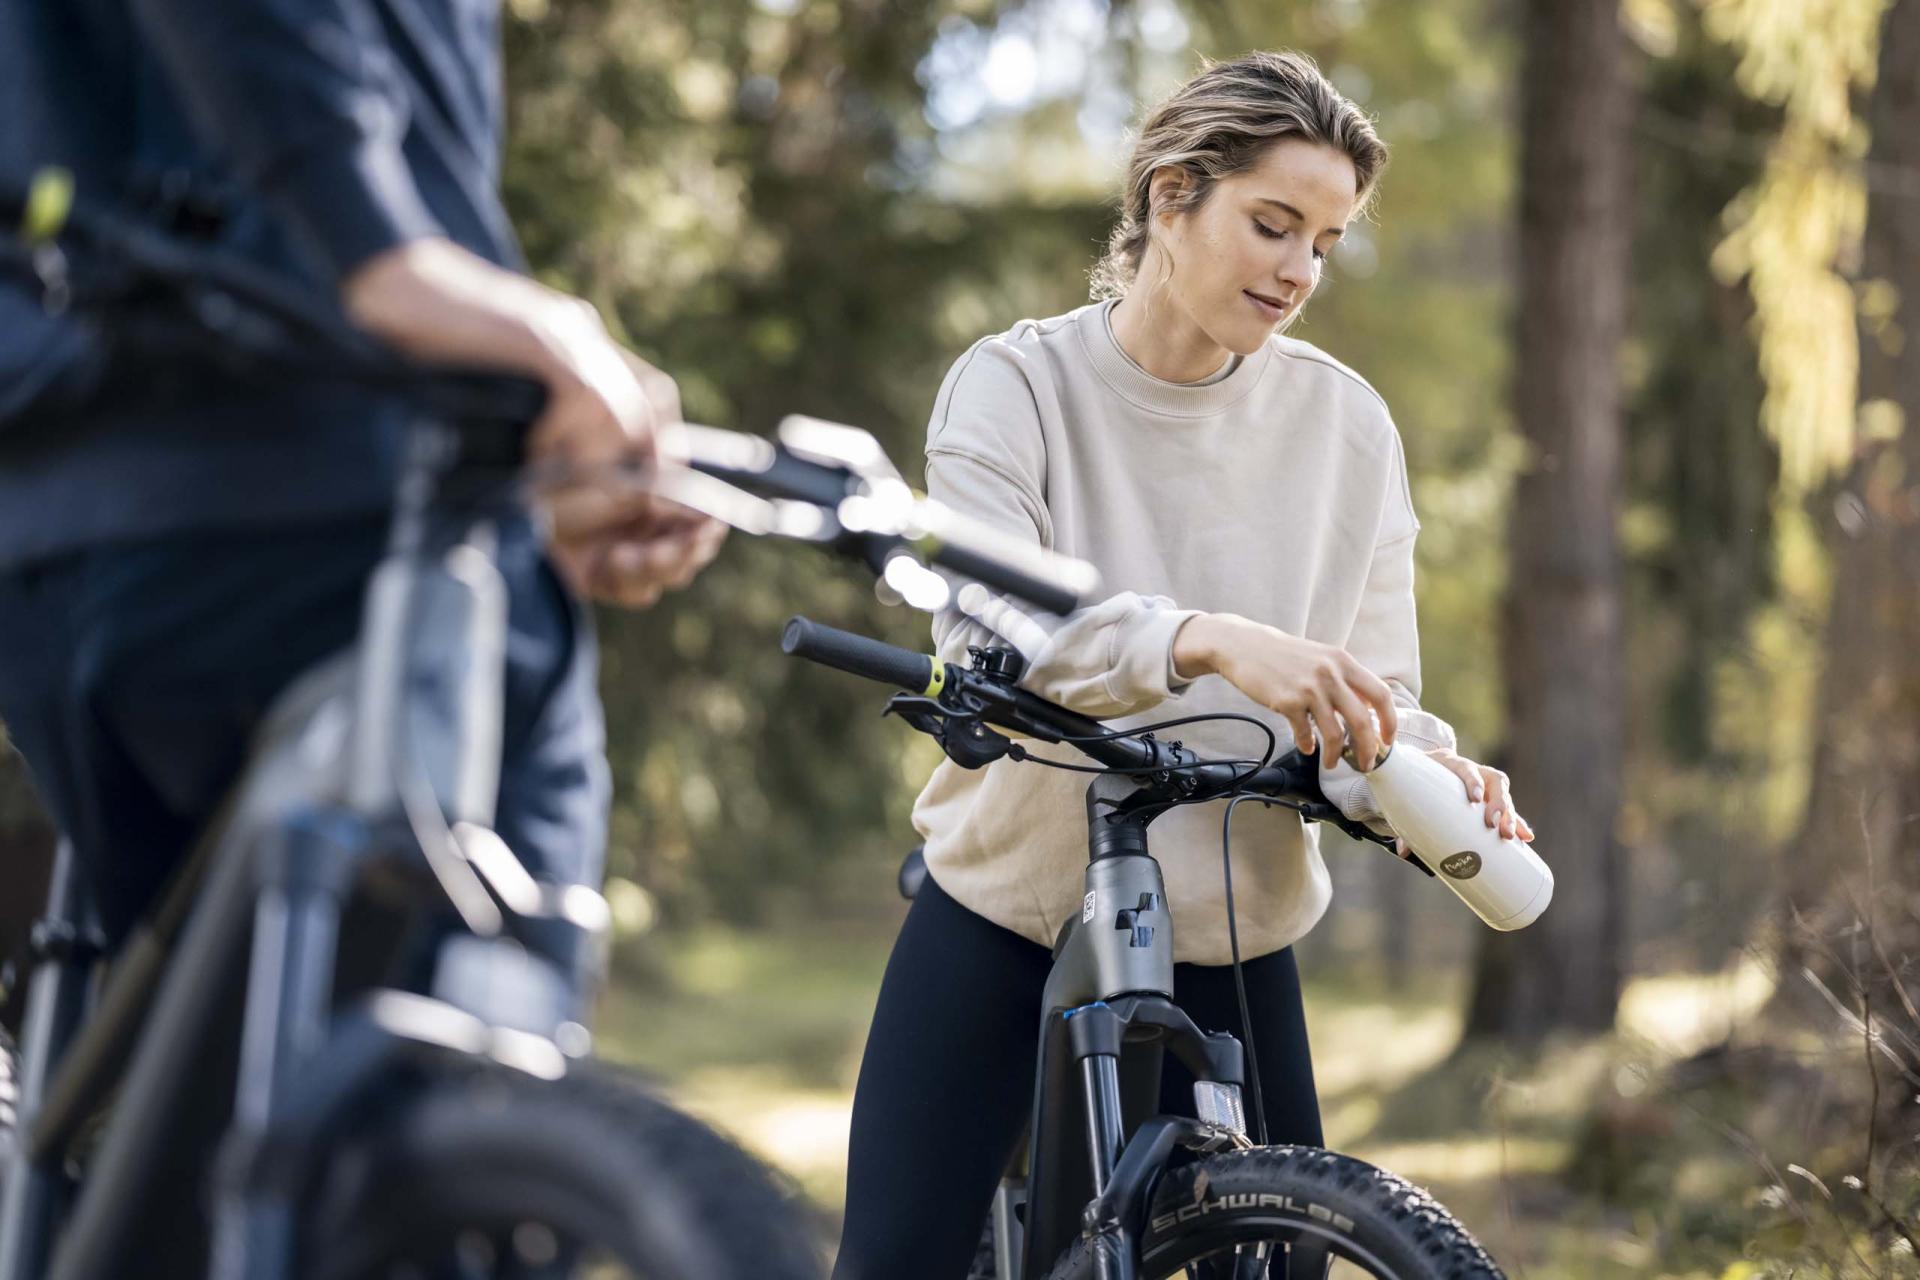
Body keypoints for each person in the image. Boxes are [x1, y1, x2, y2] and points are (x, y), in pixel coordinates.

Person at [0, 0, 721, 1270]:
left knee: (229, 1146)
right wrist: (384, 256)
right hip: (323, 500)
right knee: (455, 1112)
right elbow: (384, 250)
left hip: (68, 521)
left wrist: (528, 441)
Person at [833, 50, 1536, 1278]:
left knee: (1296, 1253)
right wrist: (1202, 637)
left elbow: (1371, 696)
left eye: (1325, 242)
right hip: (1013, 909)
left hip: (1234, 933)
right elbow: (991, 622)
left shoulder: (1348, 427)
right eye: (1273, 224)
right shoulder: (1017, 385)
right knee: (894, 1258)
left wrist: (1423, 770)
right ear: (1171, 196)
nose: (1300, 270)